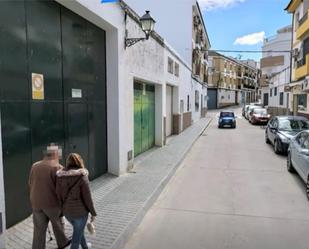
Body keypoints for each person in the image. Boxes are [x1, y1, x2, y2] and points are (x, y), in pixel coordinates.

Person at [29, 144, 71, 249]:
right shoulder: (57, 167)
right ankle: (63, 243)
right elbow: (61, 189)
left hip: (36, 202)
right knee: (58, 225)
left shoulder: (35, 165)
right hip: (52, 204)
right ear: (55, 154)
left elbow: (30, 183)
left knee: (39, 229)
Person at [56, 153, 97, 249]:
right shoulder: (82, 176)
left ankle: (85, 246)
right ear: (79, 162)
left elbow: (58, 195)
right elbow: (87, 198)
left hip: (67, 213)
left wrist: (62, 210)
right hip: (80, 214)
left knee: (79, 230)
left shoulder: (59, 176)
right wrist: (93, 213)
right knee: (75, 239)